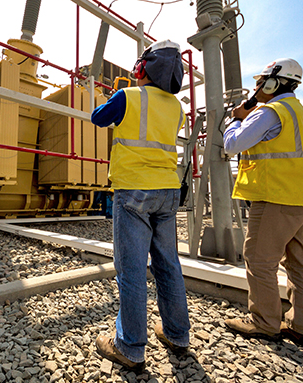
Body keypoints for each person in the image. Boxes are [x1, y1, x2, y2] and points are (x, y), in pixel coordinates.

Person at [91, 40, 191, 372]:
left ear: (142, 69)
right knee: (168, 265)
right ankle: (177, 335)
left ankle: (130, 347)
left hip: (133, 190)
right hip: (167, 190)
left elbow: (97, 118)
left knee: (132, 271)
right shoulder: (177, 108)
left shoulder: (127, 97)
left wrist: (112, 96)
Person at [223, 58, 303, 350]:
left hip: (275, 198)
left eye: (260, 82)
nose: (256, 88)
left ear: (272, 83)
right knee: (300, 265)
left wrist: (237, 119)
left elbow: (232, 145)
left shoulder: (268, 113)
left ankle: (264, 323)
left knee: (259, 260)